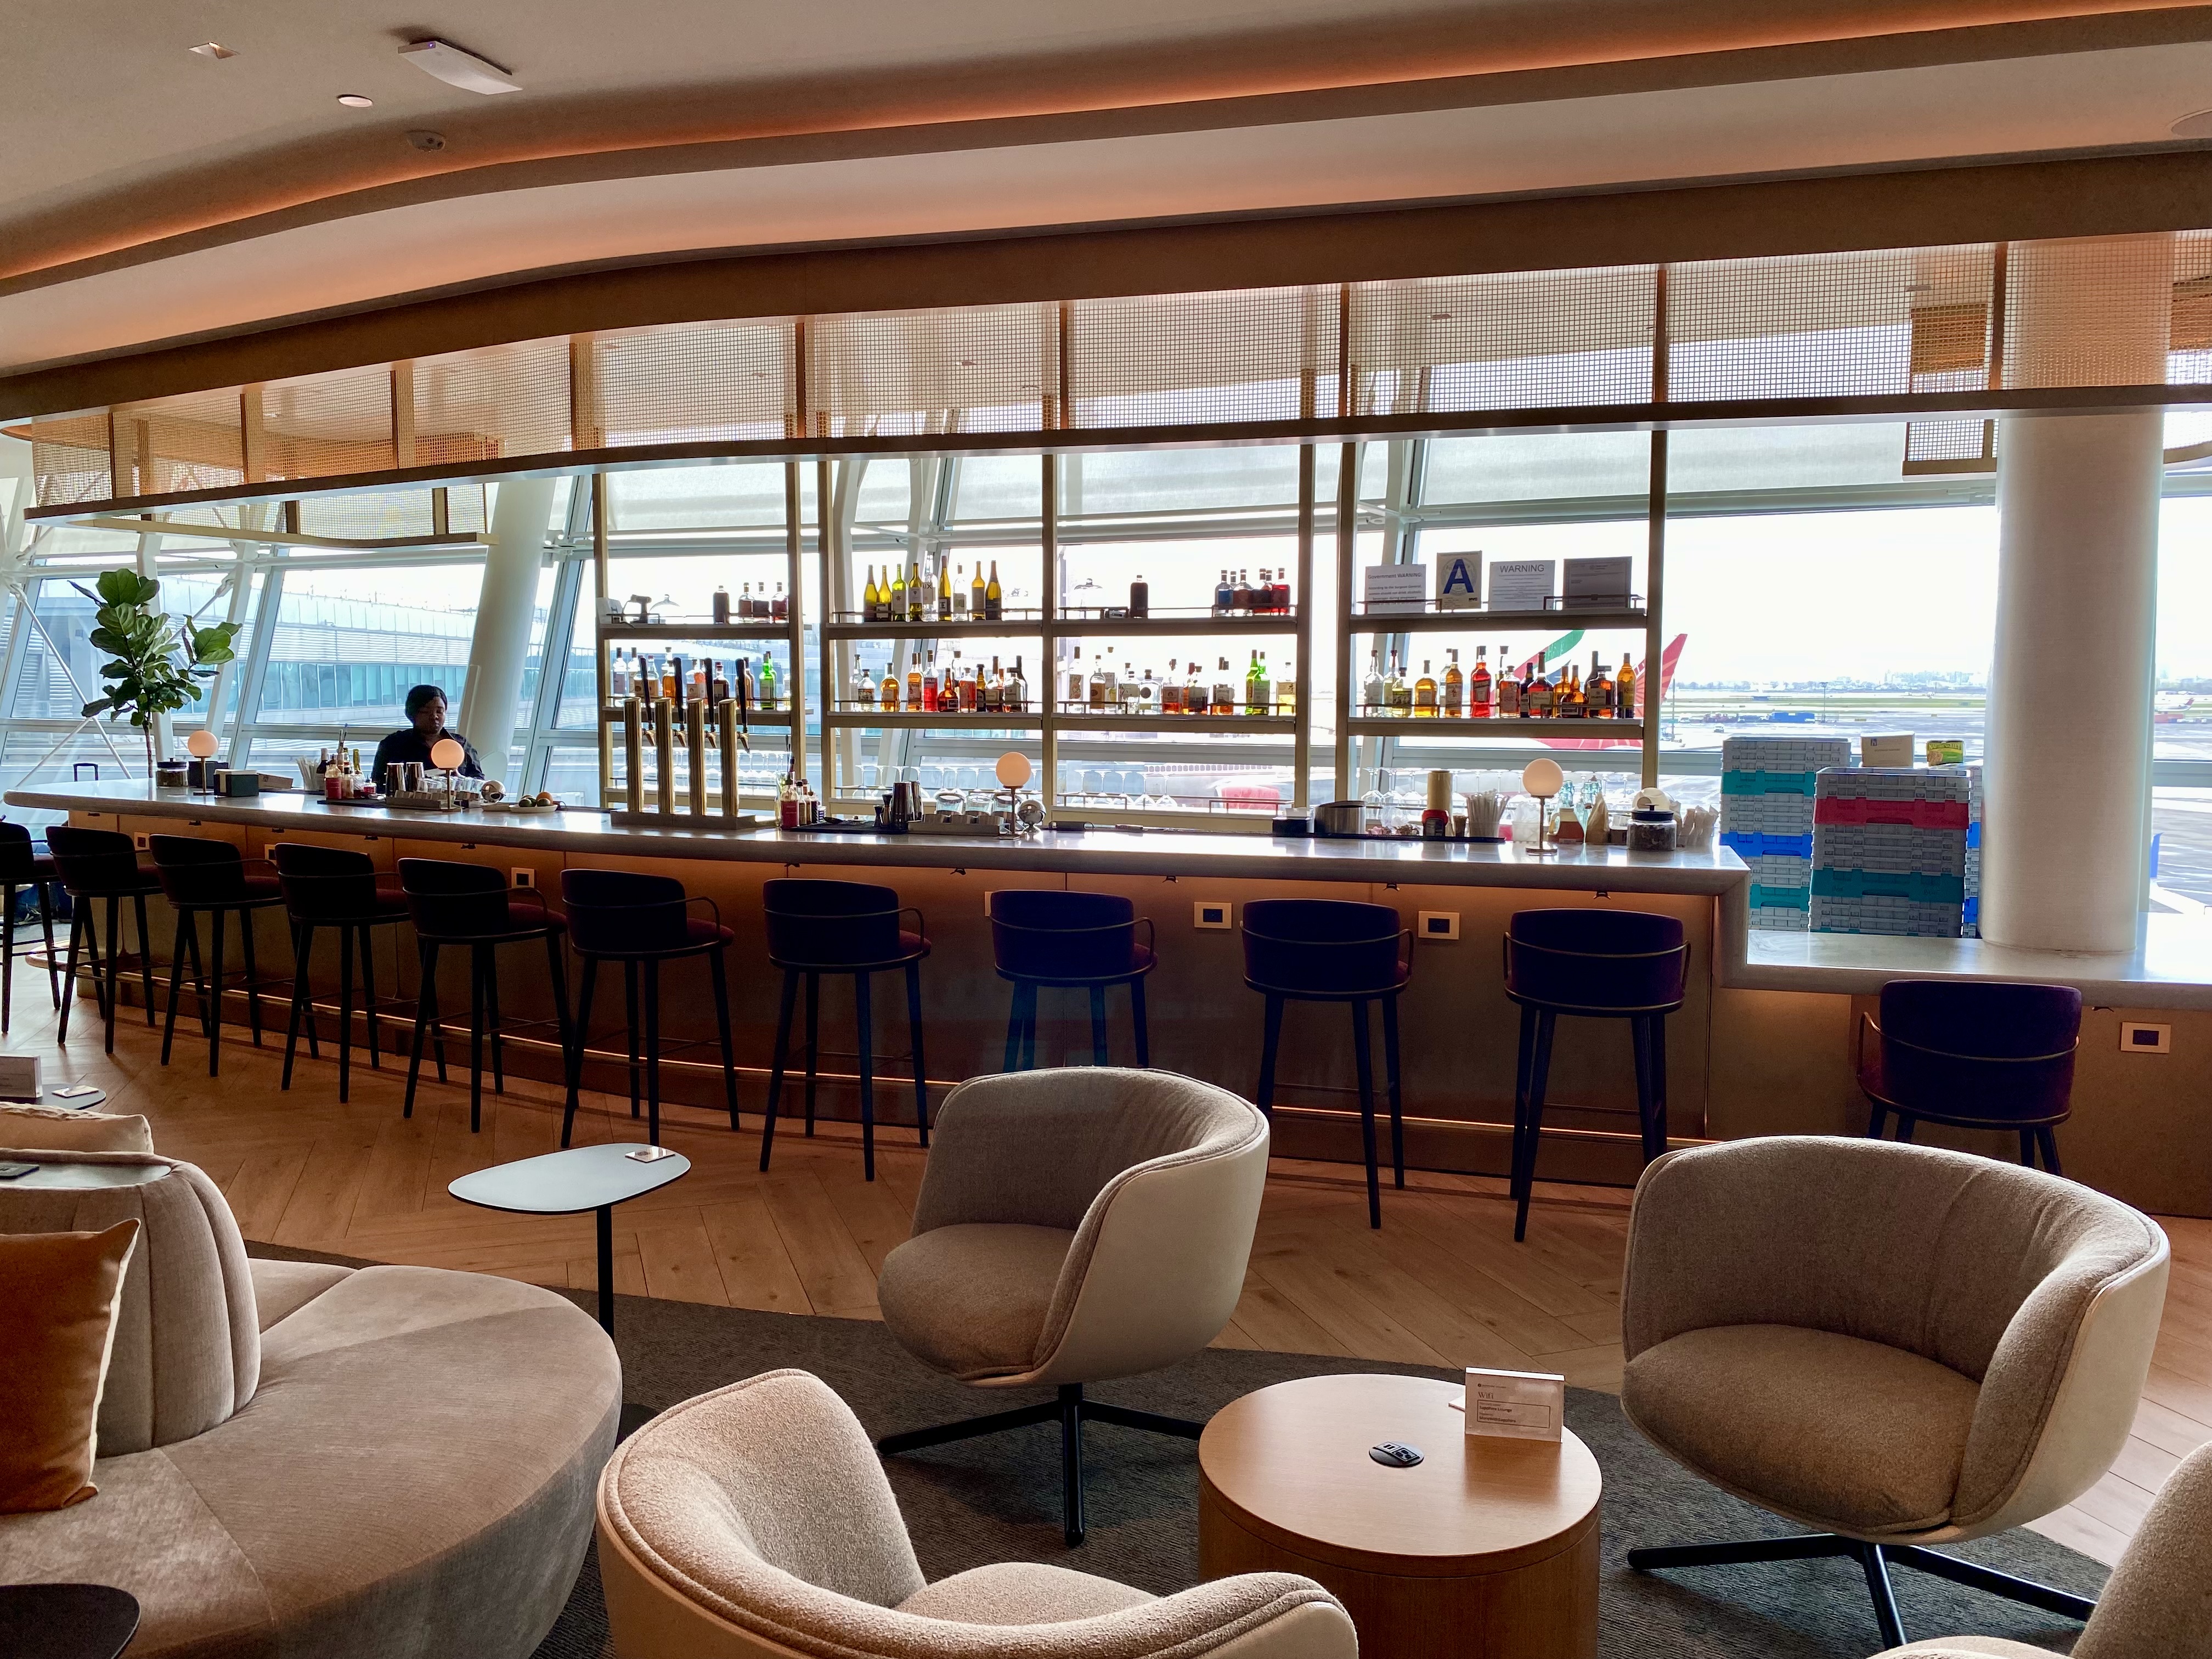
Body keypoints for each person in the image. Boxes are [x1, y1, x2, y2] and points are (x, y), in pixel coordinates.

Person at [372, 685, 484, 786]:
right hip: (409, 807)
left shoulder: (461, 744)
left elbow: (479, 781)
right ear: (412, 714)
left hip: (457, 806)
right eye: (426, 712)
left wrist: (459, 779)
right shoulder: (393, 744)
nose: (434, 716)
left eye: (440, 712)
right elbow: (378, 783)